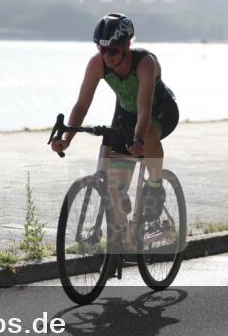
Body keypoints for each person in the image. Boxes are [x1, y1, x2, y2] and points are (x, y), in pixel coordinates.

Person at [51, 13, 179, 243]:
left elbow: (144, 110)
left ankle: (156, 185)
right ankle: (121, 241)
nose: (107, 56)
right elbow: (81, 105)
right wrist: (67, 138)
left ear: (127, 45)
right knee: (114, 186)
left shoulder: (145, 63)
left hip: (160, 111)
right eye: (102, 50)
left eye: (113, 51)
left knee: (147, 135)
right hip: (125, 116)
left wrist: (138, 140)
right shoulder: (97, 64)